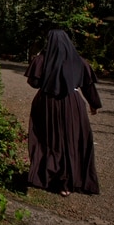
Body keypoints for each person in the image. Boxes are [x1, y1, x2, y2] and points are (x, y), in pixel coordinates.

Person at [25, 29, 101, 196]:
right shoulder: (79, 61)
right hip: (72, 104)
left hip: (47, 103)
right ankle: (67, 183)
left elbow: (34, 82)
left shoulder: (42, 60)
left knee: (48, 139)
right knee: (71, 140)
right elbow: (88, 86)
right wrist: (94, 104)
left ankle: (47, 176)